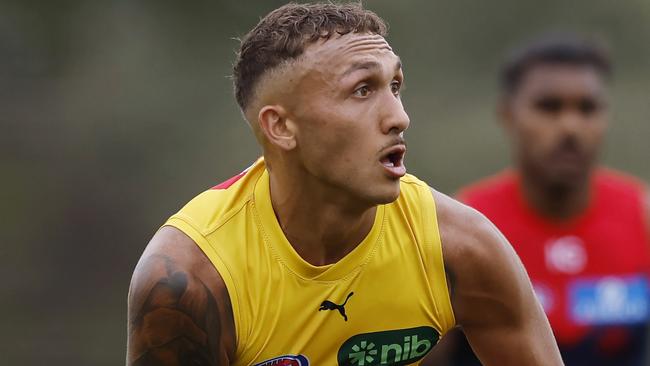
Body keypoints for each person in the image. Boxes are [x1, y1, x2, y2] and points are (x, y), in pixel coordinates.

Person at [126, 3, 562, 365]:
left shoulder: (460, 246)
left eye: (395, 85)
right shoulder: (189, 279)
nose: (399, 117)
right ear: (281, 127)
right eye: (362, 90)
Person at [446, 34, 650, 366]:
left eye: (587, 108)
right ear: (508, 115)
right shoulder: (463, 227)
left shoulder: (642, 216)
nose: (570, 126)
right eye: (549, 107)